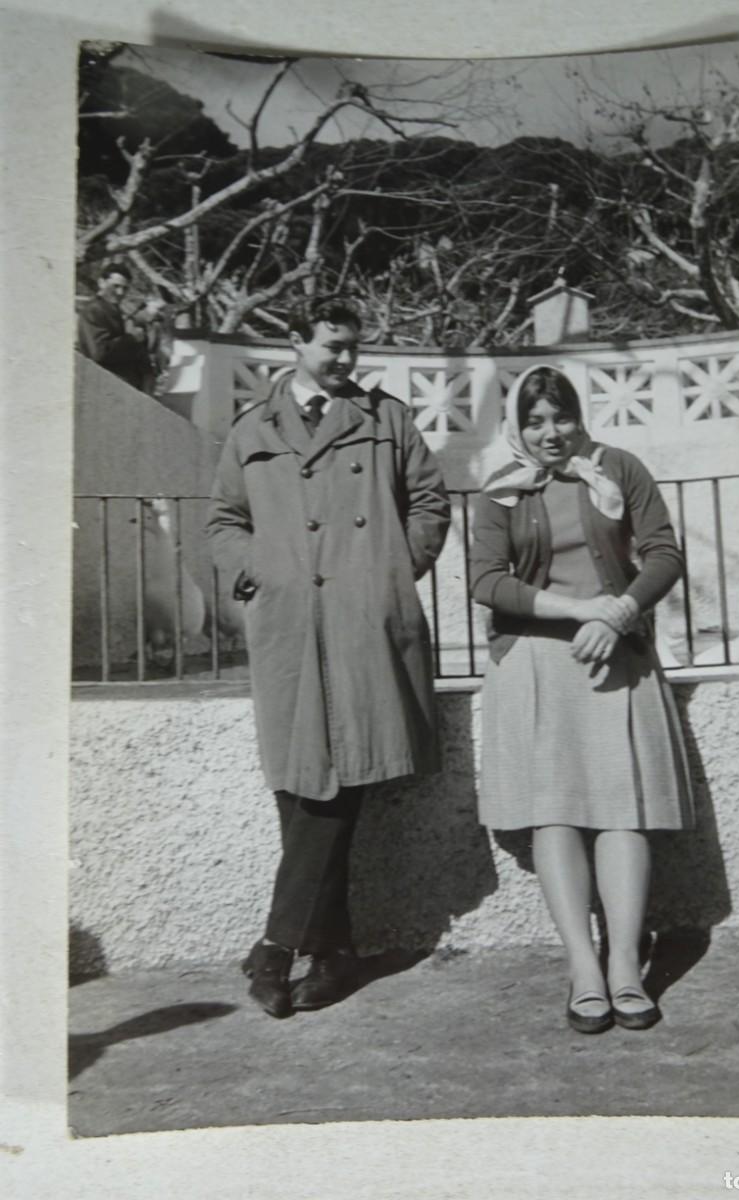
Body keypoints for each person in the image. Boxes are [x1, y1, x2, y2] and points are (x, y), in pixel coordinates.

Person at [207, 296, 451, 1019]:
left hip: (362, 621)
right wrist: (257, 569)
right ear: (295, 342)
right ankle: (334, 952)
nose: (346, 359)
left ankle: (276, 947)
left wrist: (392, 570)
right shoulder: (252, 427)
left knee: (340, 770)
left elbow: (430, 503)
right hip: (289, 625)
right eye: (332, 346)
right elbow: (223, 520)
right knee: (303, 781)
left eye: (353, 347)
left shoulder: (387, 420)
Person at [470, 365, 694, 1034]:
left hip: (616, 657)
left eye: (561, 416)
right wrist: (578, 610)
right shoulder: (501, 488)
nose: (551, 433)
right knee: (555, 815)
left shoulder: (618, 469)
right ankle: (583, 969)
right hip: (537, 665)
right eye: (535, 421)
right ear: (517, 426)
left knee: (624, 812)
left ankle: (625, 964)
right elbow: (486, 581)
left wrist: (617, 614)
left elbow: (663, 554)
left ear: (579, 416)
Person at [77, 262, 165, 391]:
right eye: (115, 286)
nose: (120, 292)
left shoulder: (112, 309)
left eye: (125, 288)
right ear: (101, 283)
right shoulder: (94, 310)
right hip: (107, 387)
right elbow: (98, 353)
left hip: (123, 385)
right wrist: (132, 338)